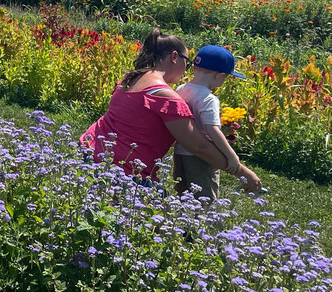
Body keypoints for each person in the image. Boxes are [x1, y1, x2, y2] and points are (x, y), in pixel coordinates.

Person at [80, 29, 262, 191]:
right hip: (121, 171)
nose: (187, 70)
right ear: (174, 57)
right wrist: (243, 172)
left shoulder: (132, 78)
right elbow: (199, 147)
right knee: (173, 223)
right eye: (187, 62)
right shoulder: (166, 97)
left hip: (87, 151)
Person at [174, 45, 248, 199]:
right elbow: (212, 130)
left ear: (194, 67)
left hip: (180, 151)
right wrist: (232, 156)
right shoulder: (209, 99)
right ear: (219, 75)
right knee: (204, 198)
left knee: (182, 193)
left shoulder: (181, 89)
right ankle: (201, 223)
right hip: (202, 157)